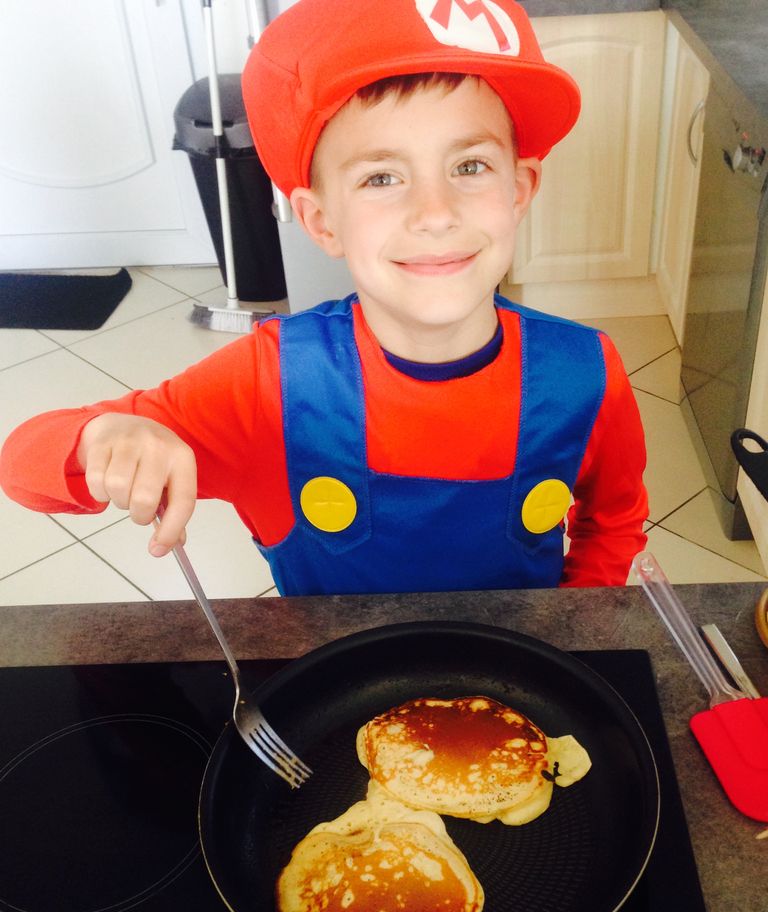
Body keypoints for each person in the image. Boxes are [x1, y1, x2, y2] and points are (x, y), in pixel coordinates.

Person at [0, 0, 648, 595]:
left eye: (469, 166)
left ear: (519, 188)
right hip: (336, 681)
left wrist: (579, 631)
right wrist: (102, 438)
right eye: (382, 177)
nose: (435, 213)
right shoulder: (268, 385)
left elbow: (614, 521)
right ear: (321, 222)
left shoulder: (586, 372)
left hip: (525, 678)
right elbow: (23, 466)